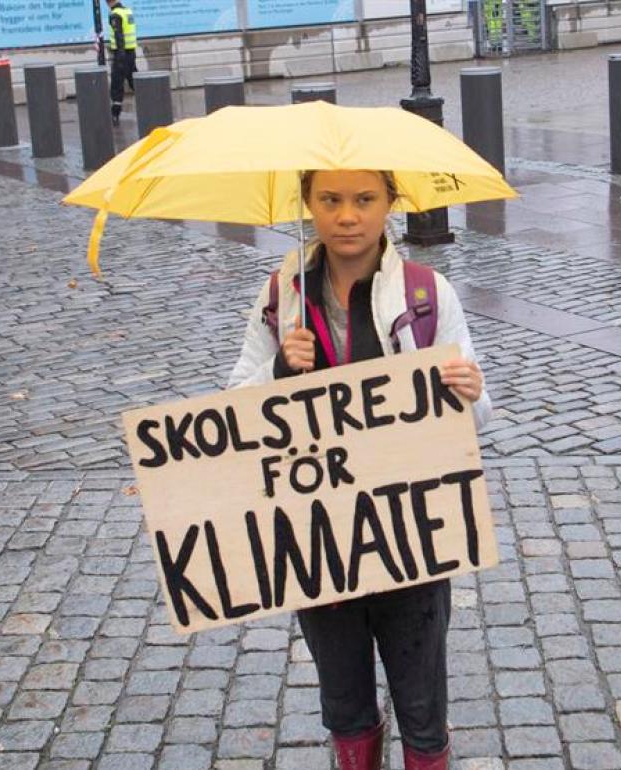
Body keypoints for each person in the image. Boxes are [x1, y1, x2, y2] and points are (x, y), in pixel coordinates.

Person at [227, 169, 492, 770]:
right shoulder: (281, 296)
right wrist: (276, 373)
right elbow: (236, 407)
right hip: (320, 540)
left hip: (412, 537)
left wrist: (472, 392)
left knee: (422, 701)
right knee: (344, 697)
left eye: (365, 199)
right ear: (309, 205)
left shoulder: (427, 293)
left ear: (389, 203)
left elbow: (476, 413)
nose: (348, 216)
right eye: (331, 200)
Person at [104, 0, 136, 126]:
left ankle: (115, 115)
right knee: (134, 81)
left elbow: (119, 35)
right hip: (131, 52)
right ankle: (151, 103)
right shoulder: (127, 11)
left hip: (121, 54)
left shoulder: (115, 15)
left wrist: (120, 55)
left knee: (117, 84)